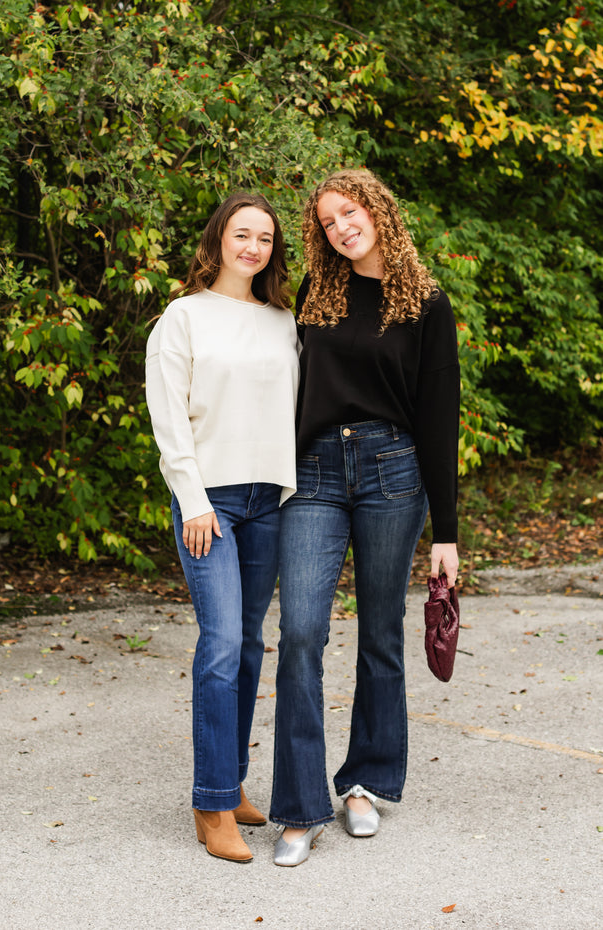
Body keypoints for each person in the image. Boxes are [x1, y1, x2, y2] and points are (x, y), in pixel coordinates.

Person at [270, 169, 460, 866]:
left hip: (393, 473)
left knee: (382, 633)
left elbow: (440, 419)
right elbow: (286, 392)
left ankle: (363, 784)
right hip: (315, 473)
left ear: (376, 209)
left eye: (348, 211)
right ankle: (298, 807)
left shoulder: (426, 303)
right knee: (300, 633)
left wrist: (448, 532)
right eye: (326, 221)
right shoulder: (318, 294)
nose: (340, 227)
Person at [145, 192, 299, 863]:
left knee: (249, 645)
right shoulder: (182, 318)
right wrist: (193, 496)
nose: (253, 247)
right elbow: (168, 416)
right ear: (219, 240)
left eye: (264, 238)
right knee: (221, 639)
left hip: (270, 497)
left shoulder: (282, 319)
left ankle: (230, 781)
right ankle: (210, 805)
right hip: (210, 501)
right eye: (242, 234)